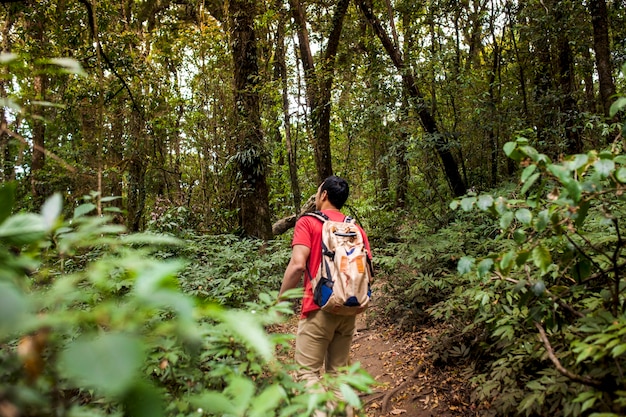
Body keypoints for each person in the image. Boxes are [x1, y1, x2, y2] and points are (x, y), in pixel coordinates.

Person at [278, 175, 373, 416]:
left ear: (324, 195)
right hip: (349, 309)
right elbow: (368, 269)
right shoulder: (355, 228)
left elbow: (298, 265)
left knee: (307, 373)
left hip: (317, 309)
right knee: (338, 375)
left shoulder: (308, 222)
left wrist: (280, 301)